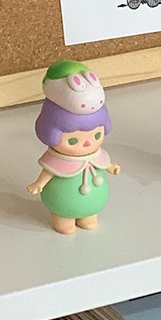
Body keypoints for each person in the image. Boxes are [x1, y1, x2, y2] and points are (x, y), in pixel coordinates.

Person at [27, 61, 120, 234]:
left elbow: (103, 163)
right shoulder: (59, 159)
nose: (87, 143)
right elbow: (49, 171)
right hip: (62, 203)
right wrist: (39, 183)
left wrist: (111, 166)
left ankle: (88, 216)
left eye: (96, 136)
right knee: (65, 224)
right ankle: (63, 221)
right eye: (72, 141)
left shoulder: (96, 154)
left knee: (90, 220)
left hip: (92, 202)